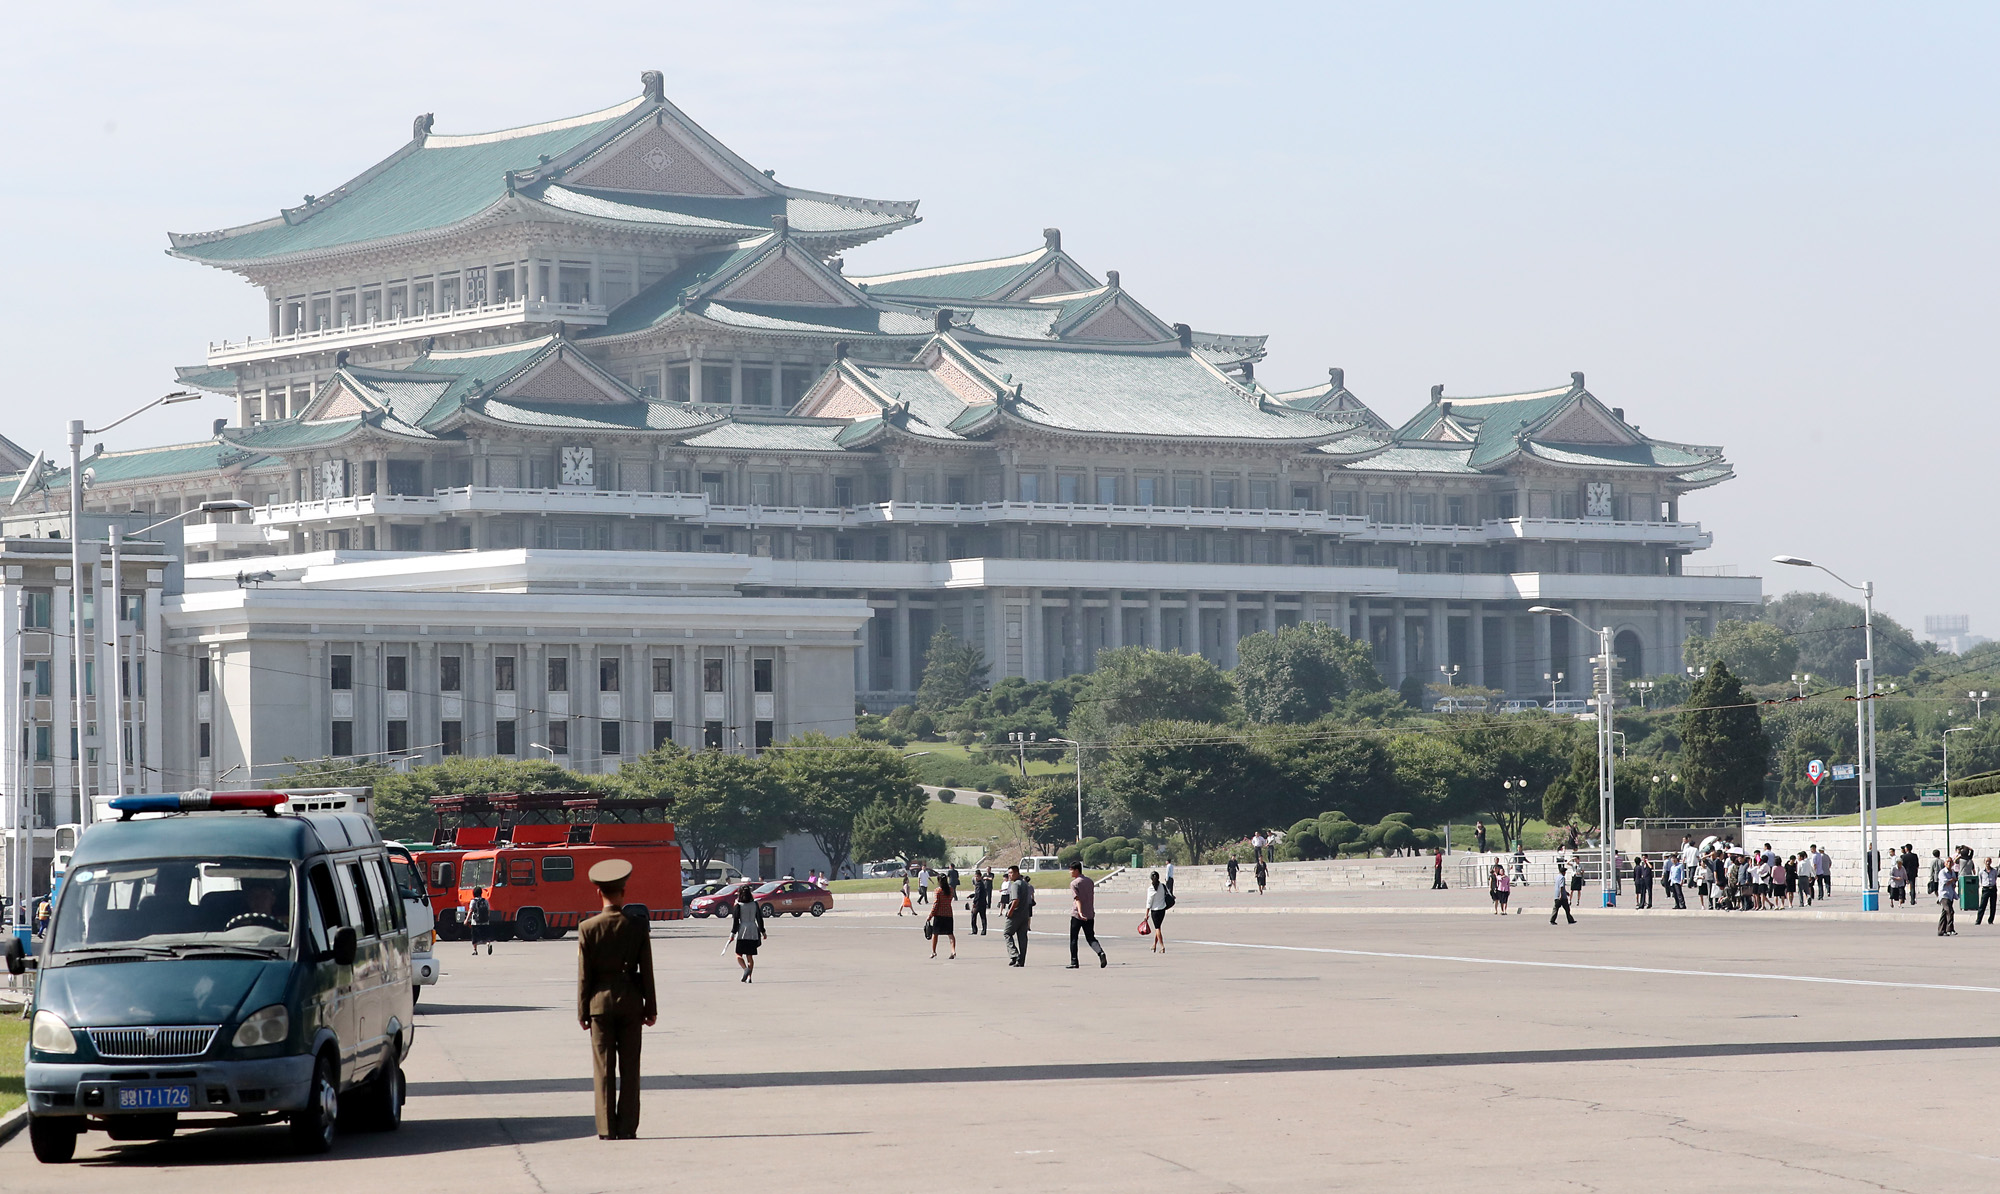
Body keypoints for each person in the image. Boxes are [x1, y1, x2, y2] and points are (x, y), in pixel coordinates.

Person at [576, 858, 657, 1141]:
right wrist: (651, 1007)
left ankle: (607, 1128)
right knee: (631, 1069)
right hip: (632, 1003)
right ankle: (627, 1127)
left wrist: (582, 1011)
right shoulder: (636, 926)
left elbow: (584, 975)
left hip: (599, 1005)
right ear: (624, 891)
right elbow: (646, 969)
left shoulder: (588, 928)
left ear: (598, 892)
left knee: (604, 1069)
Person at [1066, 862, 1106, 969]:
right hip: (1090, 914)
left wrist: (1079, 912)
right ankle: (1100, 952)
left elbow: (1077, 899)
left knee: (1074, 939)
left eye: (1071, 870)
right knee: (1091, 937)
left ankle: (1074, 961)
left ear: (1076, 870)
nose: (1070, 872)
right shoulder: (1090, 881)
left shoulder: (1074, 883)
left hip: (1077, 915)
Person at [731, 880, 768, 980]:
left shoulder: (738, 905)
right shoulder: (755, 904)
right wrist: (763, 931)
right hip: (753, 930)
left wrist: (732, 934)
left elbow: (735, 921)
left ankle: (745, 969)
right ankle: (749, 977)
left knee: (738, 954)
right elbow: (759, 919)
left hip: (743, 930)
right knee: (750, 956)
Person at [1003, 865, 1033, 967]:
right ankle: (1021, 960)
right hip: (1025, 914)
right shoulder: (1025, 884)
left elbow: (1015, 900)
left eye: (1011, 873)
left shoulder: (1015, 885)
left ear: (1017, 873)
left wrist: (1010, 912)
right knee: (1022, 938)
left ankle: (1014, 955)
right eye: (1009, 873)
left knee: (1007, 933)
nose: (1009, 875)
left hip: (1015, 915)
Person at [928, 869, 956, 959]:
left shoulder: (938, 891)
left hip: (939, 915)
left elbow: (936, 904)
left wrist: (930, 915)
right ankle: (953, 951)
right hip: (948, 914)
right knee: (950, 934)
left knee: (935, 934)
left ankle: (933, 951)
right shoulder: (951, 890)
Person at [1143, 869, 1170, 953]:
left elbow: (1149, 902)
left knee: (1157, 928)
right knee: (1158, 928)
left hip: (1155, 911)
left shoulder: (1151, 889)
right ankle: (1154, 945)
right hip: (1162, 909)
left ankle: (1162, 946)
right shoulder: (1162, 886)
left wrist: (1146, 914)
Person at [468, 885, 493, 956]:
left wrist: (466, 920)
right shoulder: (485, 901)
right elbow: (488, 911)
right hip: (485, 921)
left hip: (475, 922)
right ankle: (488, 944)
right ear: (481, 893)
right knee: (485, 936)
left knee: (475, 937)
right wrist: (487, 918)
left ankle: (475, 951)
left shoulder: (473, 901)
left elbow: (470, 911)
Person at [1939, 856, 1960, 936]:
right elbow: (1946, 882)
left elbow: (1953, 883)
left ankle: (1941, 930)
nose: (1949, 863)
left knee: (1944, 913)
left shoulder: (1952, 872)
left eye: (1950, 862)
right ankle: (1950, 929)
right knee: (1950, 911)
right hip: (1944, 895)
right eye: (1947, 862)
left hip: (1950, 894)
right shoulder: (1942, 872)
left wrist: (1953, 882)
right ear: (1945, 863)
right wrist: (1953, 880)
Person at [1550, 859, 1575, 925]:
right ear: (1563, 872)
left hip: (1557, 895)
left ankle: (1552, 920)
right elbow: (1561, 886)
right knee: (1567, 909)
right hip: (1562, 897)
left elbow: (1560, 887)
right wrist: (1562, 895)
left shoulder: (1557, 877)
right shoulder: (1562, 878)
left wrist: (1566, 892)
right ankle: (1570, 920)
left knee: (1556, 908)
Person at [970, 868, 992, 936]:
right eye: (975, 876)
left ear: (980, 877)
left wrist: (974, 902)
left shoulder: (979, 884)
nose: (976, 878)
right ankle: (983, 930)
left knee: (974, 916)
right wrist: (972, 895)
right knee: (983, 917)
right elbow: (979, 893)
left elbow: (978, 895)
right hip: (982, 903)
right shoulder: (982, 884)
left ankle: (975, 930)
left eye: (977, 876)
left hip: (978, 904)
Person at [1981, 859, 1998, 927]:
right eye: (1986, 861)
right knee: (1982, 905)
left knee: (1993, 905)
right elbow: (1981, 879)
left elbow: (1995, 878)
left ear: (1991, 862)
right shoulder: (1982, 871)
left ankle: (1990, 920)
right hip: (1985, 889)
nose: (1988, 863)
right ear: (1984, 862)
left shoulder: (1994, 871)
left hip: (1993, 888)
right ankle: (1978, 920)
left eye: (1989, 861)